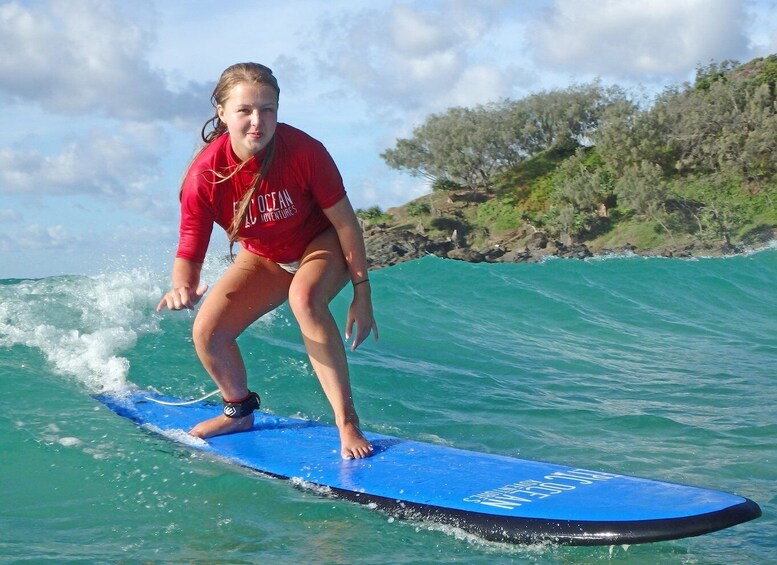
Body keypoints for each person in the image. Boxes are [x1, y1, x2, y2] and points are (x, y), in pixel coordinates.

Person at [156, 63, 378, 460]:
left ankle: (347, 422)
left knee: (305, 297)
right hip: (265, 256)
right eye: (245, 110)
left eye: (268, 109)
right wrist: (183, 288)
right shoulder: (204, 176)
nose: (258, 121)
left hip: (319, 243)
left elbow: (346, 224)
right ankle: (238, 411)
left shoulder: (304, 151)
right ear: (222, 113)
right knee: (209, 331)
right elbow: (189, 248)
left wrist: (362, 290)